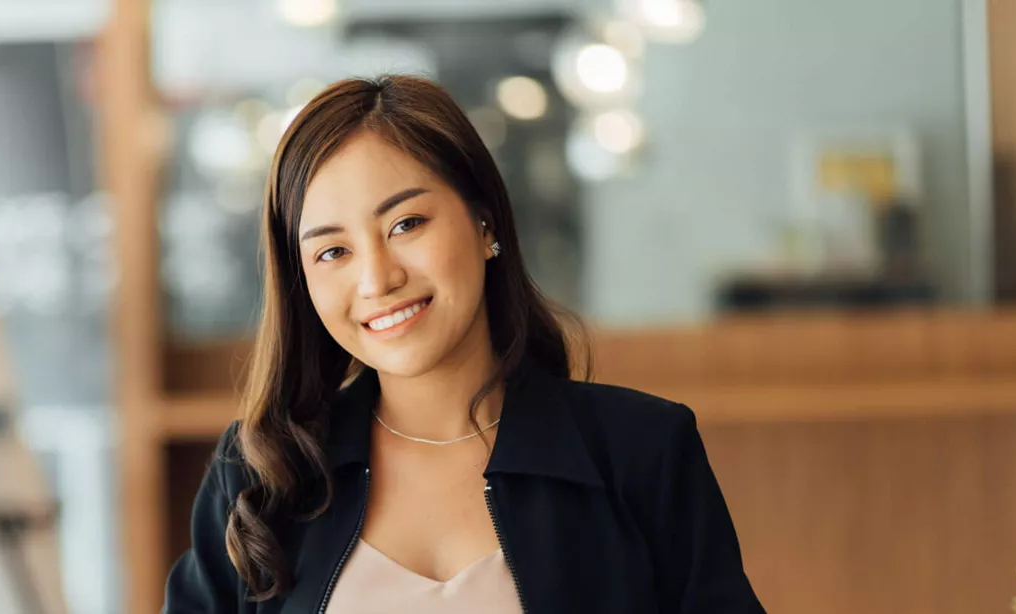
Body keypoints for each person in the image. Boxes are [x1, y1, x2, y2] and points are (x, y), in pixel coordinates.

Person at [163, 75, 765, 614]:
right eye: (333, 251)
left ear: (486, 224)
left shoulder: (641, 452)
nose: (377, 279)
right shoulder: (260, 475)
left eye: (406, 224)